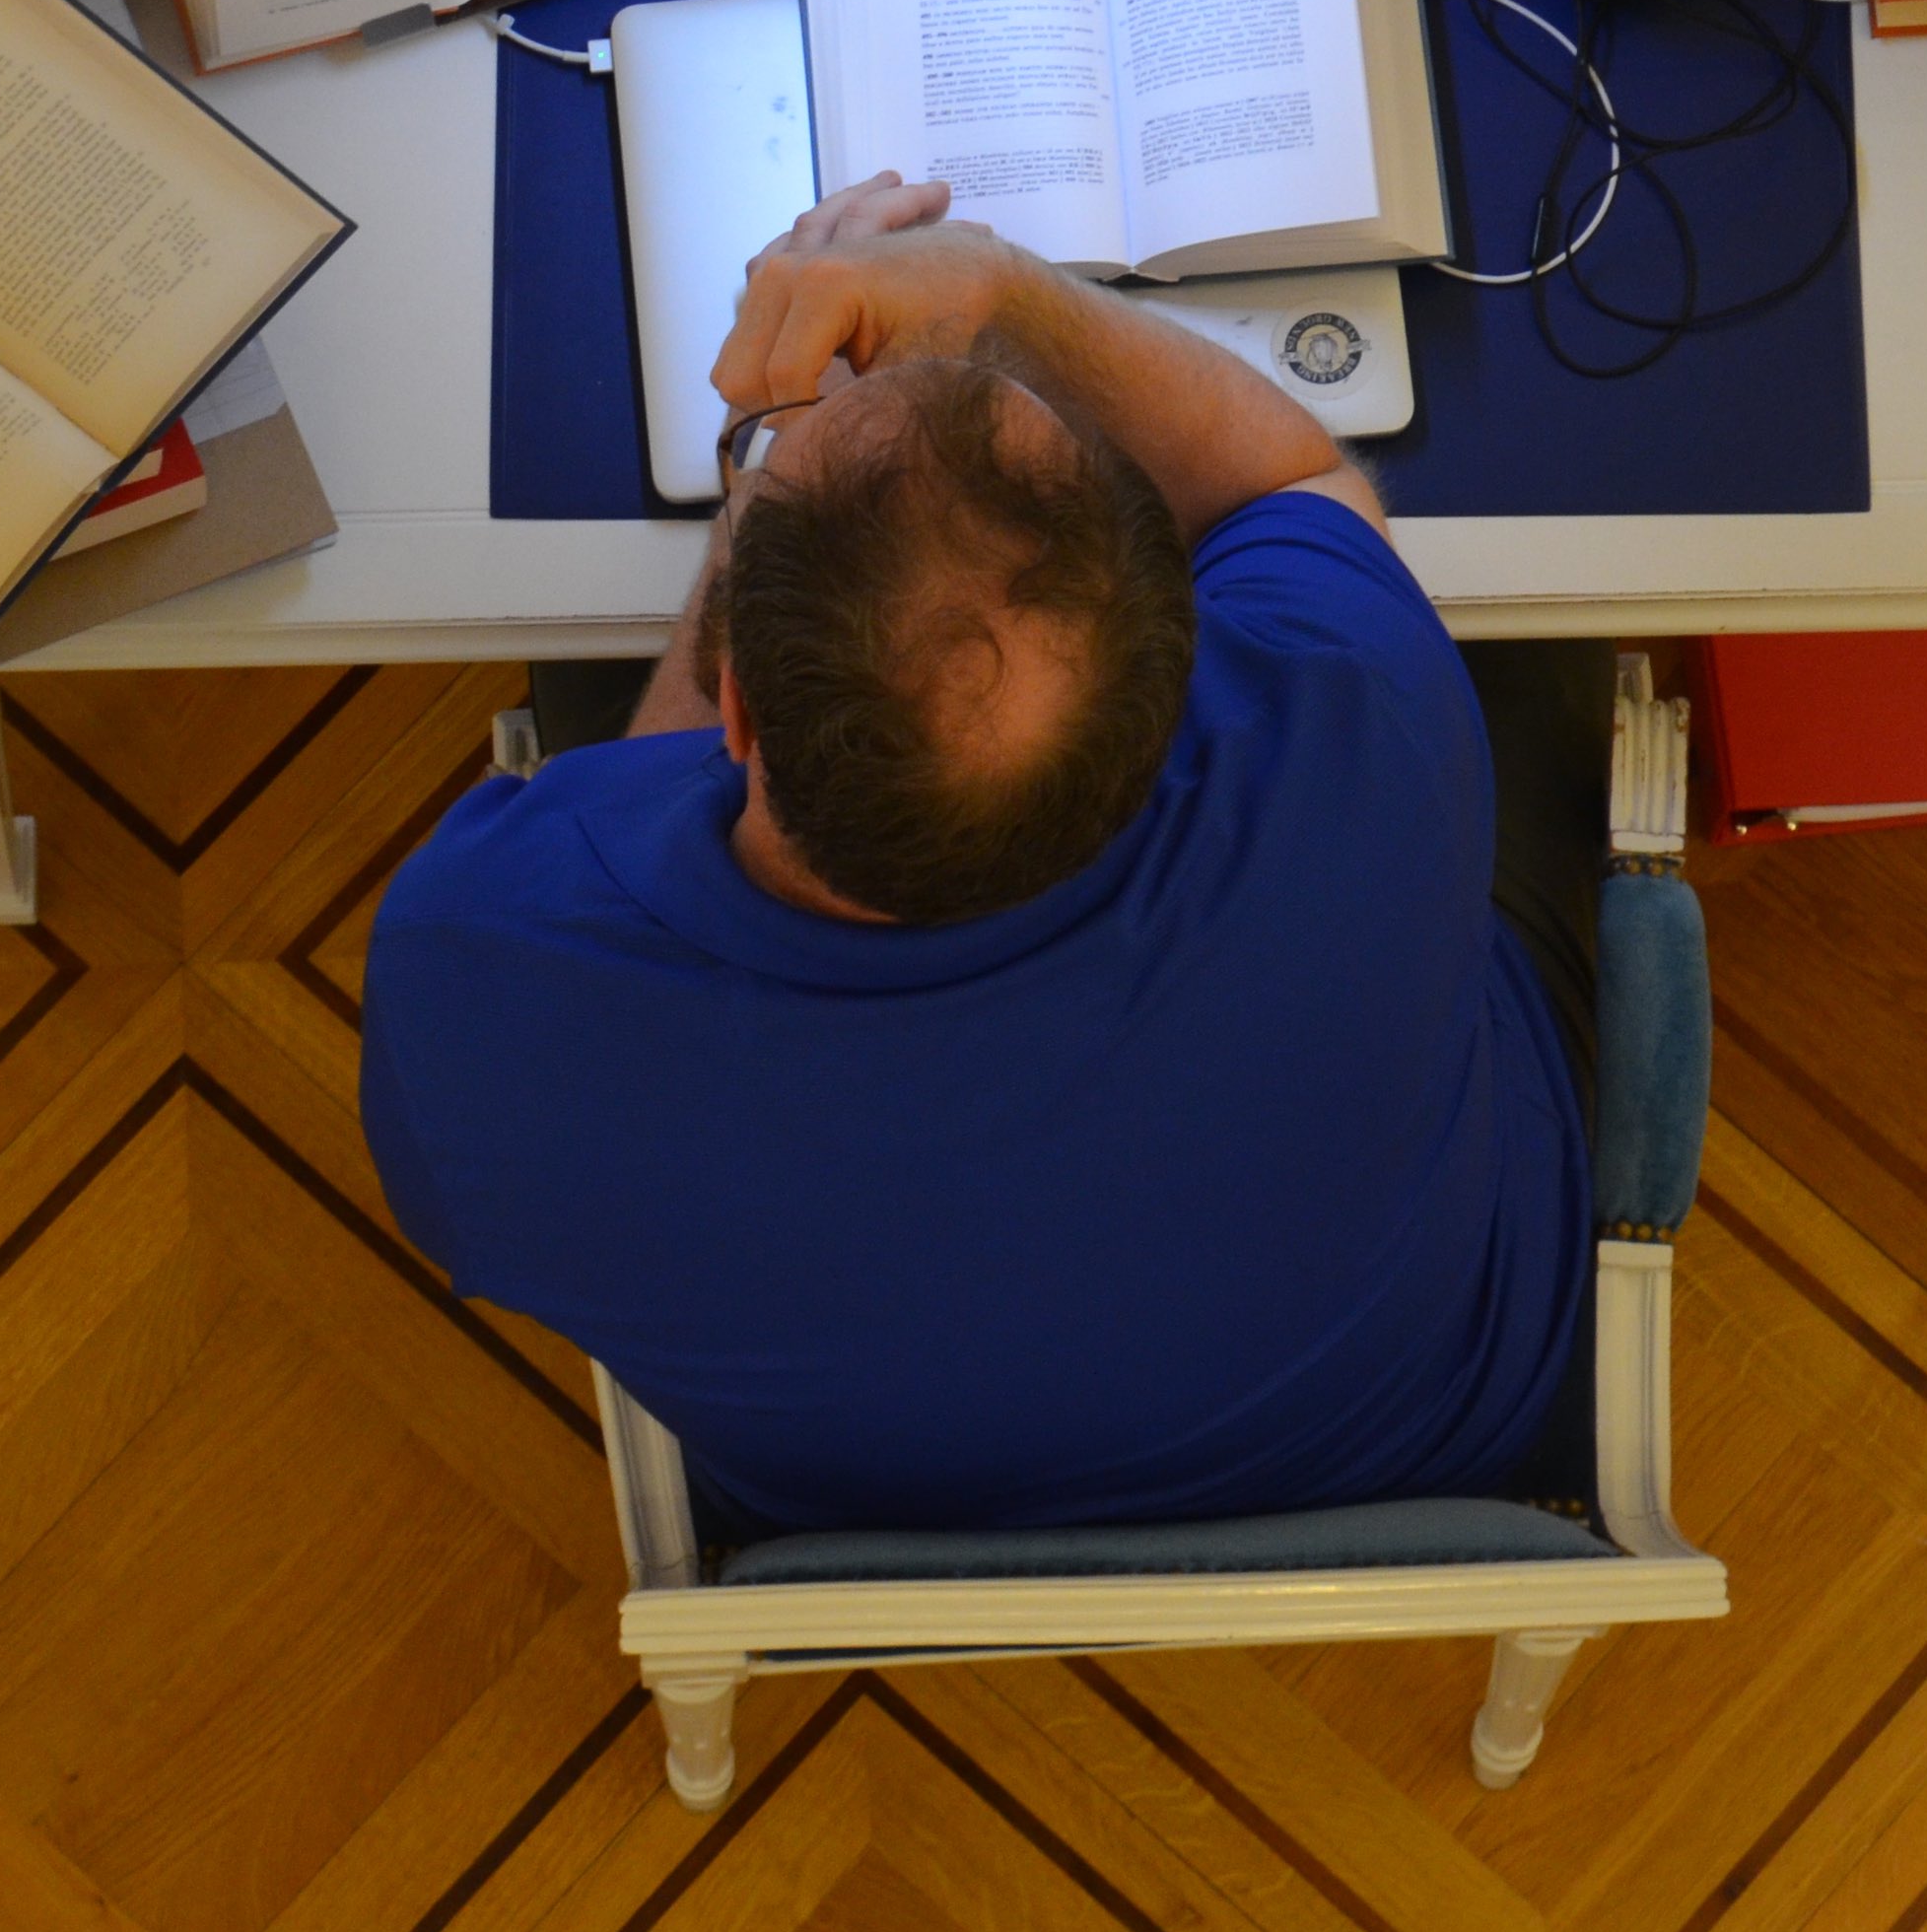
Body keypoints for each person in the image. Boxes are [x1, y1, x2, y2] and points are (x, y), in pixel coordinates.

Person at [359, 172, 1608, 1537]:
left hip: (873, 1504)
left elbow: (637, 814)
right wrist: (1001, 289)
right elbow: (1300, 476)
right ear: (1173, 663)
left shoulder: (474, 992)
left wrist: (771, 486)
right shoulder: (1354, 740)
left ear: (737, 712)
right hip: (1437, 1413)